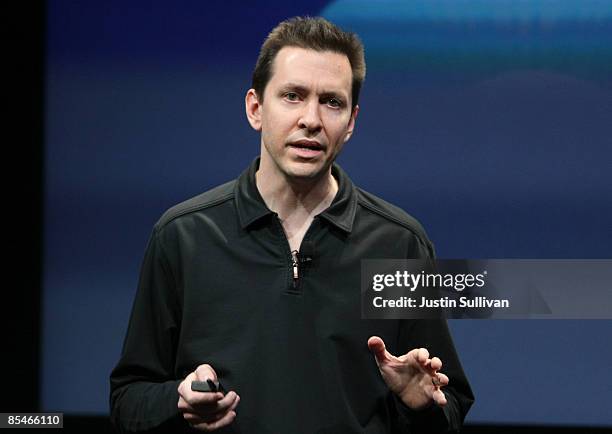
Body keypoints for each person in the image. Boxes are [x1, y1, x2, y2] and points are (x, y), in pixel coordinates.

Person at [110, 16, 474, 433]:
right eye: (293, 96)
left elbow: (451, 408)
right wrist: (177, 401)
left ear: (351, 122)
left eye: (332, 102)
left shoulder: (401, 244)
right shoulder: (183, 236)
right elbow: (127, 401)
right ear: (255, 108)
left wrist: (419, 407)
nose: (311, 120)